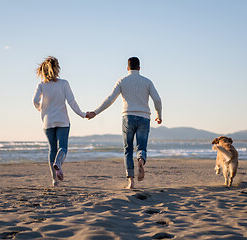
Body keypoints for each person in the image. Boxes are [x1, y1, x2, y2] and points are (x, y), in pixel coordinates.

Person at [87, 57, 162, 189]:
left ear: (127, 68)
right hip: (144, 117)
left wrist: (95, 112)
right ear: (139, 68)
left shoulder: (122, 81)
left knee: (127, 149)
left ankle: (131, 182)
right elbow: (157, 100)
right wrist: (158, 115)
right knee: (141, 147)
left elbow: (110, 99)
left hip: (128, 117)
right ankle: (140, 161)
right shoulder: (147, 82)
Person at [33, 56, 87, 186]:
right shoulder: (64, 83)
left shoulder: (41, 85)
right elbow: (72, 102)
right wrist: (83, 114)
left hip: (48, 122)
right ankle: (58, 163)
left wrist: (41, 109)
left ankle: (54, 179)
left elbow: (35, 101)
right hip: (62, 121)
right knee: (62, 147)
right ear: (56, 69)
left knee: (52, 149)